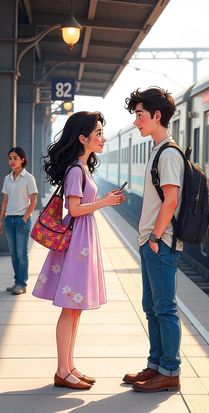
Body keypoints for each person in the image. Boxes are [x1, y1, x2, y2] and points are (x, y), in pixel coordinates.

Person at [32, 111, 125, 390]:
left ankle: (69, 366)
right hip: (76, 244)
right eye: (97, 133)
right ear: (83, 138)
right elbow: (73, 209)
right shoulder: (76, 170)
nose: (102, 137)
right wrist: (105, 202)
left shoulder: (82, 169)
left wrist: (104, 201)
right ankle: (62, 371)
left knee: (76, 310)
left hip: (82, 241)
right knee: (70, 308)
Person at [122, 88, 184, 392]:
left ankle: (170, 371)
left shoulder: (169, 153)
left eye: (139, 115)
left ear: (157, 116)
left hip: (160, 242)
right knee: (152, 307)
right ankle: (156, 365)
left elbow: (171, 201)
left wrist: (156, 238)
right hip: (150, 241)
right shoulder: (157, 150)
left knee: (164, 308)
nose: (136, 121)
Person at [0, 147, 38, 295]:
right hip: (9, 220)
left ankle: (22, 284)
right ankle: (17, 282)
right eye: (10, 158)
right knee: (14, 254)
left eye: (15, 158)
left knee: (21, 254)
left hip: (22, 220)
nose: (12, 161)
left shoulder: (28, 178)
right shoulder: (7, 178)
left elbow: (33, 200)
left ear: (22, 160)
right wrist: (1, 220)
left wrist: (24, 217)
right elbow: (5, 201)